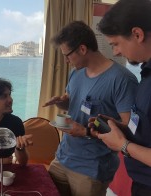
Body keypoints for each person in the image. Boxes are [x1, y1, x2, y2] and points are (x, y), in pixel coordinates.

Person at [42, 21, 138, 196]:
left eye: (67, 55)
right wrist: (61, 102)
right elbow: (73, 102)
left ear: (83, 49)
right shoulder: (77, 72)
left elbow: (129, 130)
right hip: (63, 157)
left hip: (91, 168)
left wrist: (86, 131)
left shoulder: (122, 80)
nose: (65, 61)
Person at [96, 0, 151, 195]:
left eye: (116, 44)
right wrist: (122, 129)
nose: (116, 52)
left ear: (137, 34)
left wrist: (123, 145)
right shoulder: (146, 72)